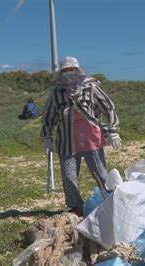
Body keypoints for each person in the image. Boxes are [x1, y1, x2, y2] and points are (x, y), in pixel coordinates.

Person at [41, 56, 121, 217]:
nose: (69, 74)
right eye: (65, 71)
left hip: (92, 139)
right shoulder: (57, 93)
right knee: (69, 177)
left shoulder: (91, 87)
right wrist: (47, 138)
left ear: (78, 71)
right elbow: (48, 116)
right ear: (61, 74)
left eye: (72, 70)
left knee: (100, 173)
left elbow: (109, 107)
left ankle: (110, 200)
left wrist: (113, 131)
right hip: (66, 142)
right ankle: (75, 207)